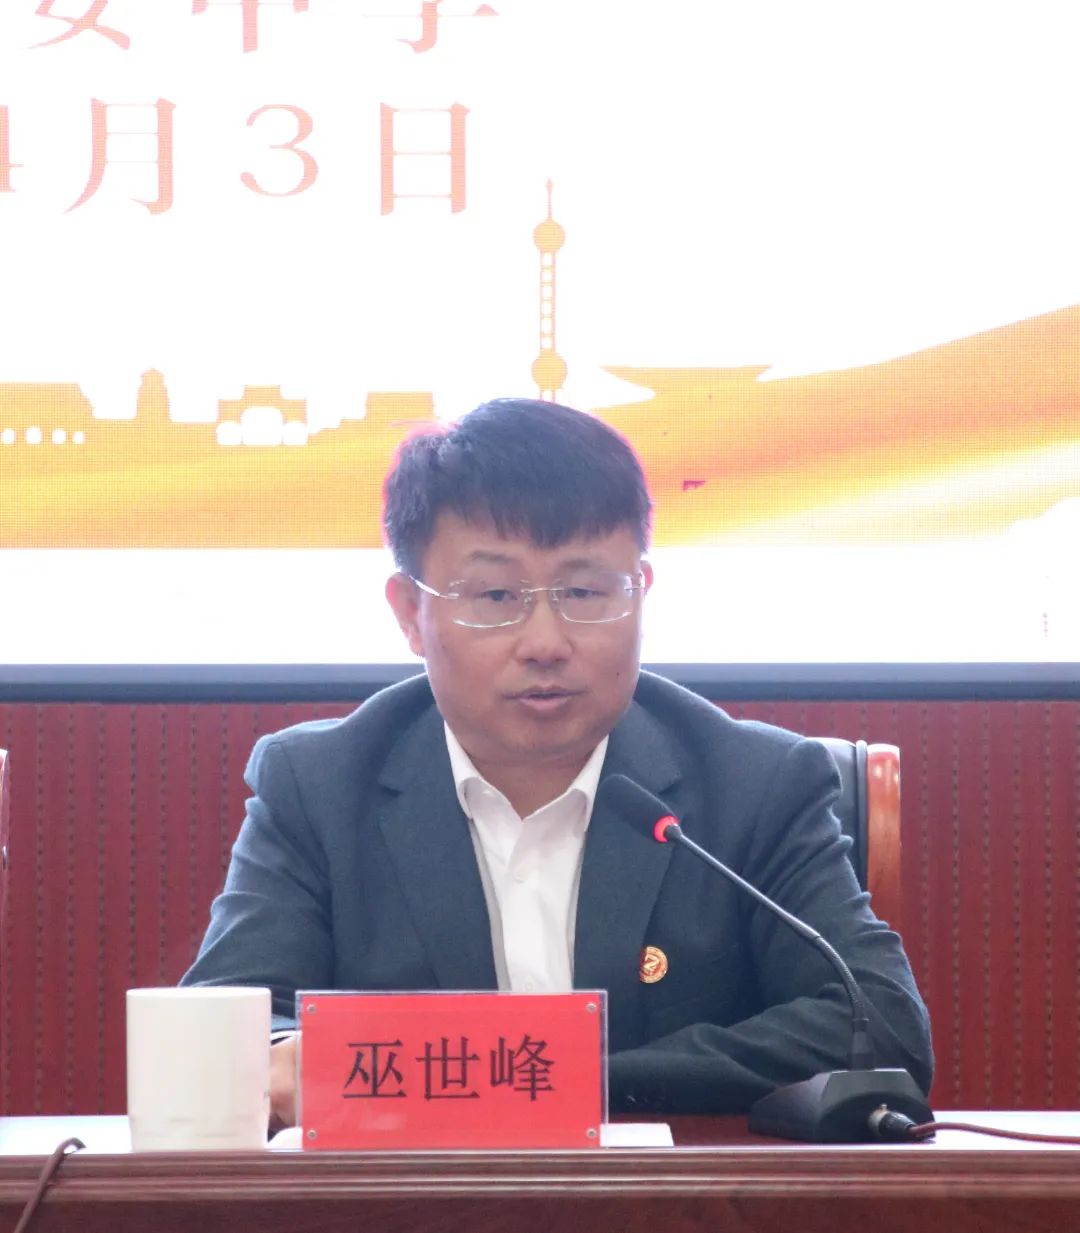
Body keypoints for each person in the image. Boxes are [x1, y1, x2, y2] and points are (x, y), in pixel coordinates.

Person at [182, 397, 933, 1126]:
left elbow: (878, 1025)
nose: (544, 641)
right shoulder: (319, 786)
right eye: (495, 594)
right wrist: (285, 1057)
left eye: (583, 590)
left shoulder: (755, 785)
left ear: (640, 592)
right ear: (411, 612)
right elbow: (222, 1035)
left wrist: (552, 1079)